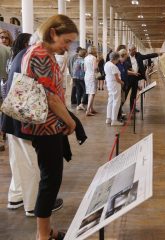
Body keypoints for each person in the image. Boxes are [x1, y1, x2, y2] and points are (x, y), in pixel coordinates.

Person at [21, 14, 78, 239]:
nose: (68, 46)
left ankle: (46, 231)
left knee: (50, 178)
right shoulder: (41, 54)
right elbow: (51, 99)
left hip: (47, 125)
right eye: (66, 41)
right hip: (45, 127)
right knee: (50, 180)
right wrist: (71, 121)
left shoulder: (41, 51)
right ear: (53, 32)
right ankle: (43, 235)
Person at [1, 33, 64, 218]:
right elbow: (46, 94)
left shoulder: (18, 56)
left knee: (18, 161)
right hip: (26, 119)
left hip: (12, 116)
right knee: (30, 163)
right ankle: (32, 204)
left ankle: (16, 196)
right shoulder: (35, 56)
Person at [125, 46, 162, 113]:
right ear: (129, 50)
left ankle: (132, 108)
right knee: (125, 94)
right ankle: (119, 110)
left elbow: (147, 56)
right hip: (128, 78)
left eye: (135, 50)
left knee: (133, 94)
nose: (134, 51)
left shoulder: (138, 55)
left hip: (135, 78)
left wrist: (157, 54)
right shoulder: (126, 57)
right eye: (133, 50)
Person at [104, 52, 124, 126]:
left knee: (110, 100)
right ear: (116, 58)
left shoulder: (106, 64)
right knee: (116, 101)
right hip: (115, 84)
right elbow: (117, 78)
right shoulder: (113, 66)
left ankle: (108, 118)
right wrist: (122, 83)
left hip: (109, 84)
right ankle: (114, 120)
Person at [84, 46, 98, 116]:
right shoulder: (94, 58)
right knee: (92, 93)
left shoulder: (85, 58)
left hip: (87, 75)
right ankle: (88, 110)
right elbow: (95, 68)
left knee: (90, 92)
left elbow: (84, 69)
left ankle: (91, 108)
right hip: (92, 76)